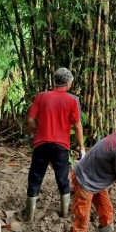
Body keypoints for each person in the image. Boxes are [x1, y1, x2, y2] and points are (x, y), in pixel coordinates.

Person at [23, 67, 84, 223]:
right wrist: (81, 146)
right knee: (62, 178)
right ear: (69, 83)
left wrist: (32, 133)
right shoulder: (72, 100)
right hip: (61, 146)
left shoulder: (41, 97)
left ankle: (29, 215)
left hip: (41, 144)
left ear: (54, 81)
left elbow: (30, 119)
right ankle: (64, 213)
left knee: (35, 177)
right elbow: (77, 125)